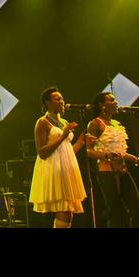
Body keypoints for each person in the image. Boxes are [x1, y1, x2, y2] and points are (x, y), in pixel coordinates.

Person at [86, 92, 139, 228]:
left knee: (136, 208)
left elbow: (121, 152)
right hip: (106, 170)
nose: (116, 103)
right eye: (111, 100)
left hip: (122, 168)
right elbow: (88, 151)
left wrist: (137, 160)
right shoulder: (95, 124)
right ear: (101, 105)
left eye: (115, 100)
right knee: (115, 210)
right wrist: (106, 156)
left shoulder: (116, 124)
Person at [29, 87, 89, 228]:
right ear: (47, 102)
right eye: (58, 99)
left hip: (66, 167)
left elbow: (67, 151)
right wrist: (63, 135)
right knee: (64, 210)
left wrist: (80, 142)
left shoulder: (63, 122)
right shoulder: (42, 122)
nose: (62, 101)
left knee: (68, 211)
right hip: (53, 167)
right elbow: (42, 152)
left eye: (62, 98)